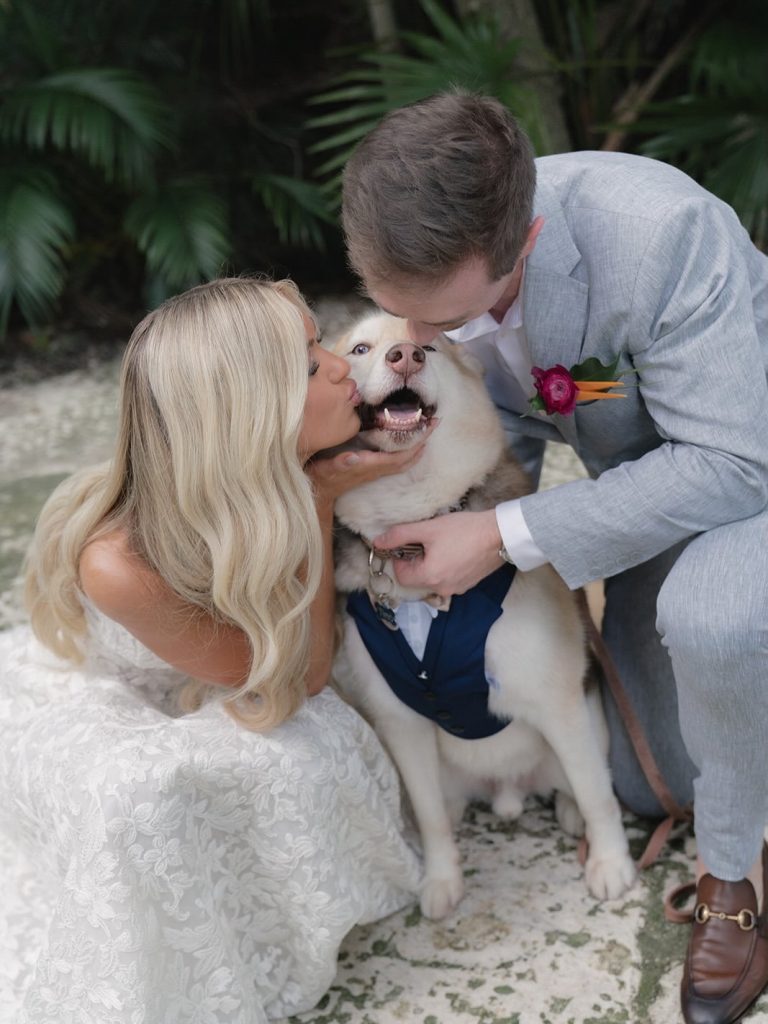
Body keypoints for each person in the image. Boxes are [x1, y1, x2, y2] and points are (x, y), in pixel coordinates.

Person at [340, 91, 768, 1024]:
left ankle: (736, 884)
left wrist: (499, 536)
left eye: (445, 325)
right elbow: (505, 424)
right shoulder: (436, 287)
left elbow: (738, 462)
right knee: (644, 779)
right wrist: (463, 510)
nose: (425, 346)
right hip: (654, 476)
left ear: (522, 247)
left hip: (751, 457)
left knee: (716, 621)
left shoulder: (663, 237)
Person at [0, 277, 428, 1023]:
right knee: (179, 792)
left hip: (241, 667)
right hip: (137, 696)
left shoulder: (263, 482)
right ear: (244, 417)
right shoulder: (118, 560)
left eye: (319, 342)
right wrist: (322, 499)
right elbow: (297, 679)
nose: (336, 367)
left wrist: (315, 486)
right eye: (304, 365)